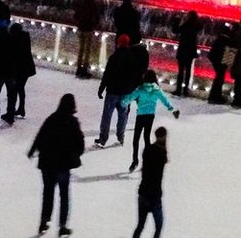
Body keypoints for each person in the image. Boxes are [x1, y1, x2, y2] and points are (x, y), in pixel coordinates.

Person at [28, 92, 85, 237]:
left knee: (48, 193)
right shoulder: (72, 122)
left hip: (47, 163)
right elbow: (80, 143)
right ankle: (62, 226)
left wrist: (32, 151)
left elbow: (40, 136)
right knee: (64, 195)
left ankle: (44, 222)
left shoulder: (51, 119)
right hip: (63, 165)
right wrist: (76, 154)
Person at [121, 68, 180, 171]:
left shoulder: (140, 90)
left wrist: (122, 102)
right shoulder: (156, 90)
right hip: (150, 116)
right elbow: (165, 100)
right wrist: (172, 109)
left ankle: (135, 160)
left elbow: (129, 98)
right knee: (146, 137)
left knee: (136, 139)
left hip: (141, 115)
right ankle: (147, 161)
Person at [96, 34, 146, 147]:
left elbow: (107, 74)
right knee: (123, 115)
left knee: (107, 116)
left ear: (119, 43)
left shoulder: (114, 57)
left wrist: (101, 88)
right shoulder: (132, 58)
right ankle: (120, 137)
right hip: (126, 92)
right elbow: (136, 75)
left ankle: (103, 138)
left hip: (113, 90)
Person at [134, 125, 169, 238]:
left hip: (143, 192)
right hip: (154, 195)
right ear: (164, 137)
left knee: (140, 225)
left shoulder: (148, 149)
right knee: (159, 225)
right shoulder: (161, 152)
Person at [10, 22, 37, 120]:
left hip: (22, 69)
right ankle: (21, 108)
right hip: (26, 68)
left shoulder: (17, 41)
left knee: (17, 88)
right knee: (20, 88)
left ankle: (17, 109)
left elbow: (16, 55)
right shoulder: (24, 38)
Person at [73, 0, 102, 79]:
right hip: (88, 29)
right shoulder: (93, 5)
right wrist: (93, 24)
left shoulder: (82, 3)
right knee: (87, 51)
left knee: (81, 50)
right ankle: (84, 69)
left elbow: (75, 16)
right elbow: (97, 18)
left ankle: (78, 69)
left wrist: (80, 21)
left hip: (80, 28)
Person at [175, 10, 201, 98]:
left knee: (181, 71)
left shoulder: (186, 25)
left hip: (183, 50)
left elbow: (175, 30)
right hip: (191, 51)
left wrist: (177, 19)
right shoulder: (196, 26)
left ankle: (178, 90)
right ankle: (185, 90)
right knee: (188, 71)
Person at [208, 21, 233, 104]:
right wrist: (228, 64)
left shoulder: (219, 38)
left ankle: (213, 96)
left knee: (218, 78)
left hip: (215, 60)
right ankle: (215, 96)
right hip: (221, 62)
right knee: (219, 79)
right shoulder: (228, 41)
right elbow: (230, 54)